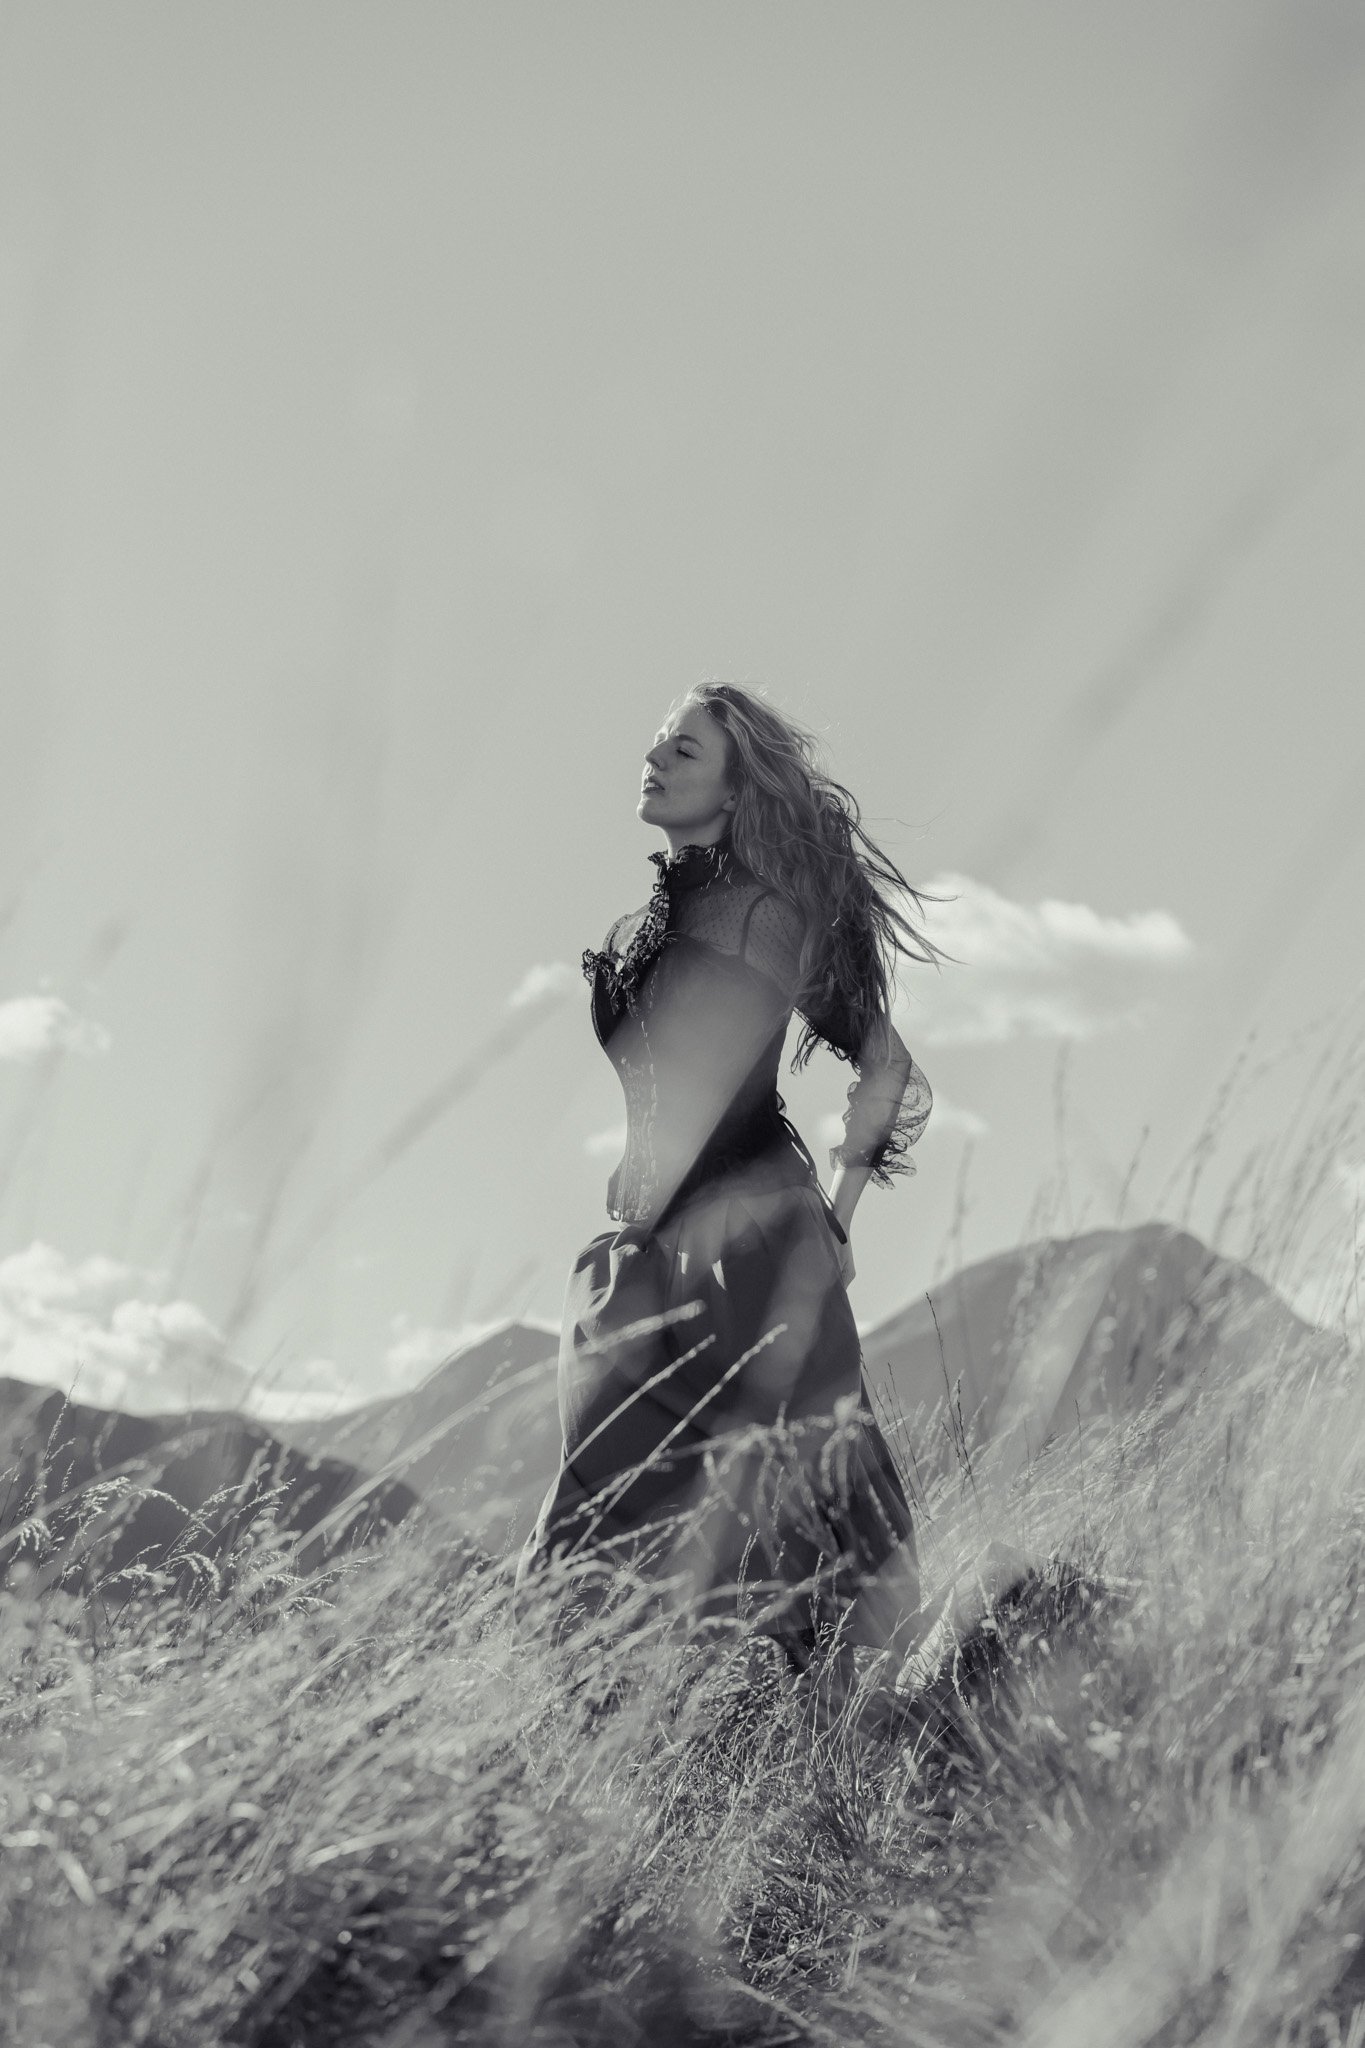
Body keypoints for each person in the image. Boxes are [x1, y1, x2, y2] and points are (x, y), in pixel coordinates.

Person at [517, 681, 944, 1699]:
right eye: (657, 744)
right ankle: (635, 1735)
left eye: (686, 752)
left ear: (737, 791)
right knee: (594, 1519)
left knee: (808, 1508)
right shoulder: (640, 925)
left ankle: (863, 1738)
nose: (655, 761)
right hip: (640, 1251)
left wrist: (835, 1220)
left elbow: (886, 1064)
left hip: (748, 1243)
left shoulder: (763, 911)